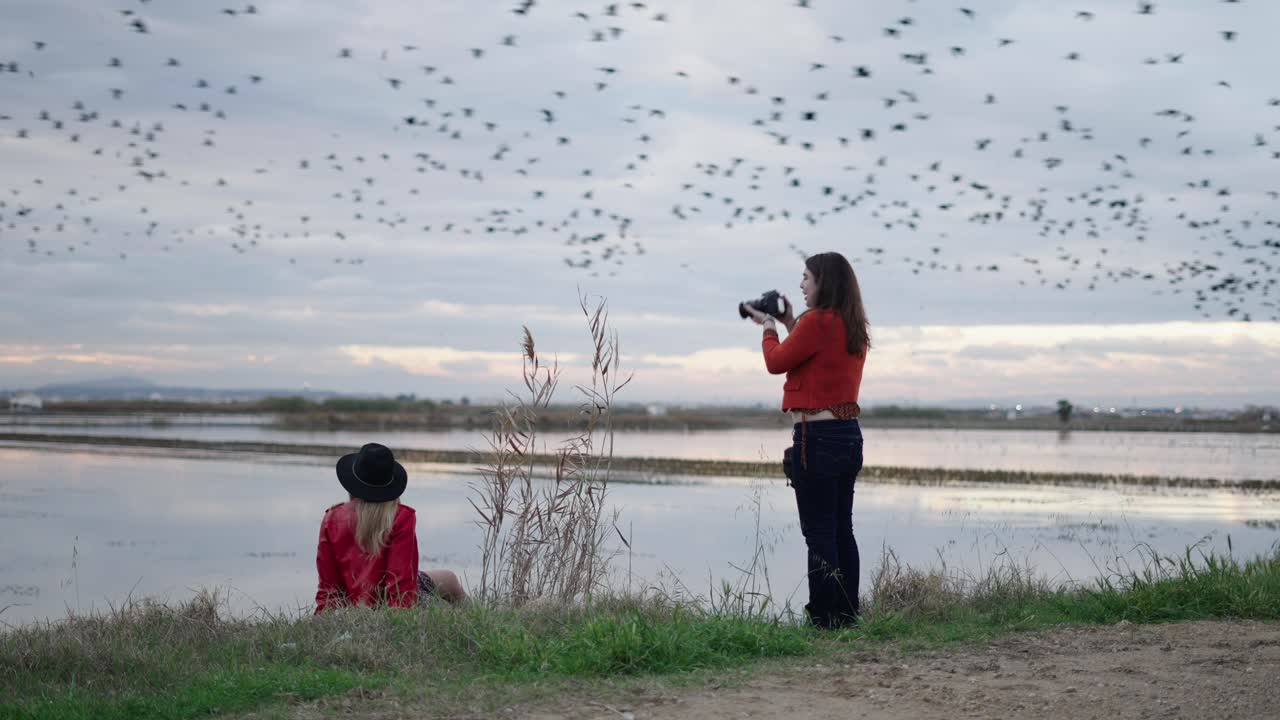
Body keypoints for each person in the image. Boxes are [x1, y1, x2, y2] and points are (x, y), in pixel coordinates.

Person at [742, 252, 870, 629]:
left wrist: (768, 326)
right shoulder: (851, 323)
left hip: (817, 437)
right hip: (848, 435)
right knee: (841, 529)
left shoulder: (816, 322)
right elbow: (813, 349)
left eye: (806, 278)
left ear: (823, 283)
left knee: (818, 533)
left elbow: (777, 360)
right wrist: (788, 320)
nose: (801, 285)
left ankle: (823, 619)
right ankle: (846, 615)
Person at [314, 442, 467, 613]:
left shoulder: (332, 518)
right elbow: (400, 585)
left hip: (352, 604)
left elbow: (328, 589)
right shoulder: (401, 517)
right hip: (393, 603)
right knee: (450, 581)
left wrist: (325, 616)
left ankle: (475, 617)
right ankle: (474, 619)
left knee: (448, 578)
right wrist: (397, 619)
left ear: (353, 485)